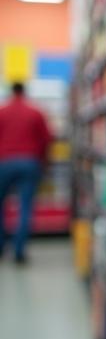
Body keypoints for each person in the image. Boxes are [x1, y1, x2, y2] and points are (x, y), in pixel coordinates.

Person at [0, 81, 53, 263]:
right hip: (29, 163)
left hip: (3, 163)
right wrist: (44, 162)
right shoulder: (36, 112)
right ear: (24, 92)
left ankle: (1, 246)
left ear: (11, 92)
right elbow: (47, 139)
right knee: (25, 207)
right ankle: (19, 251)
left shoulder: (2, 111)